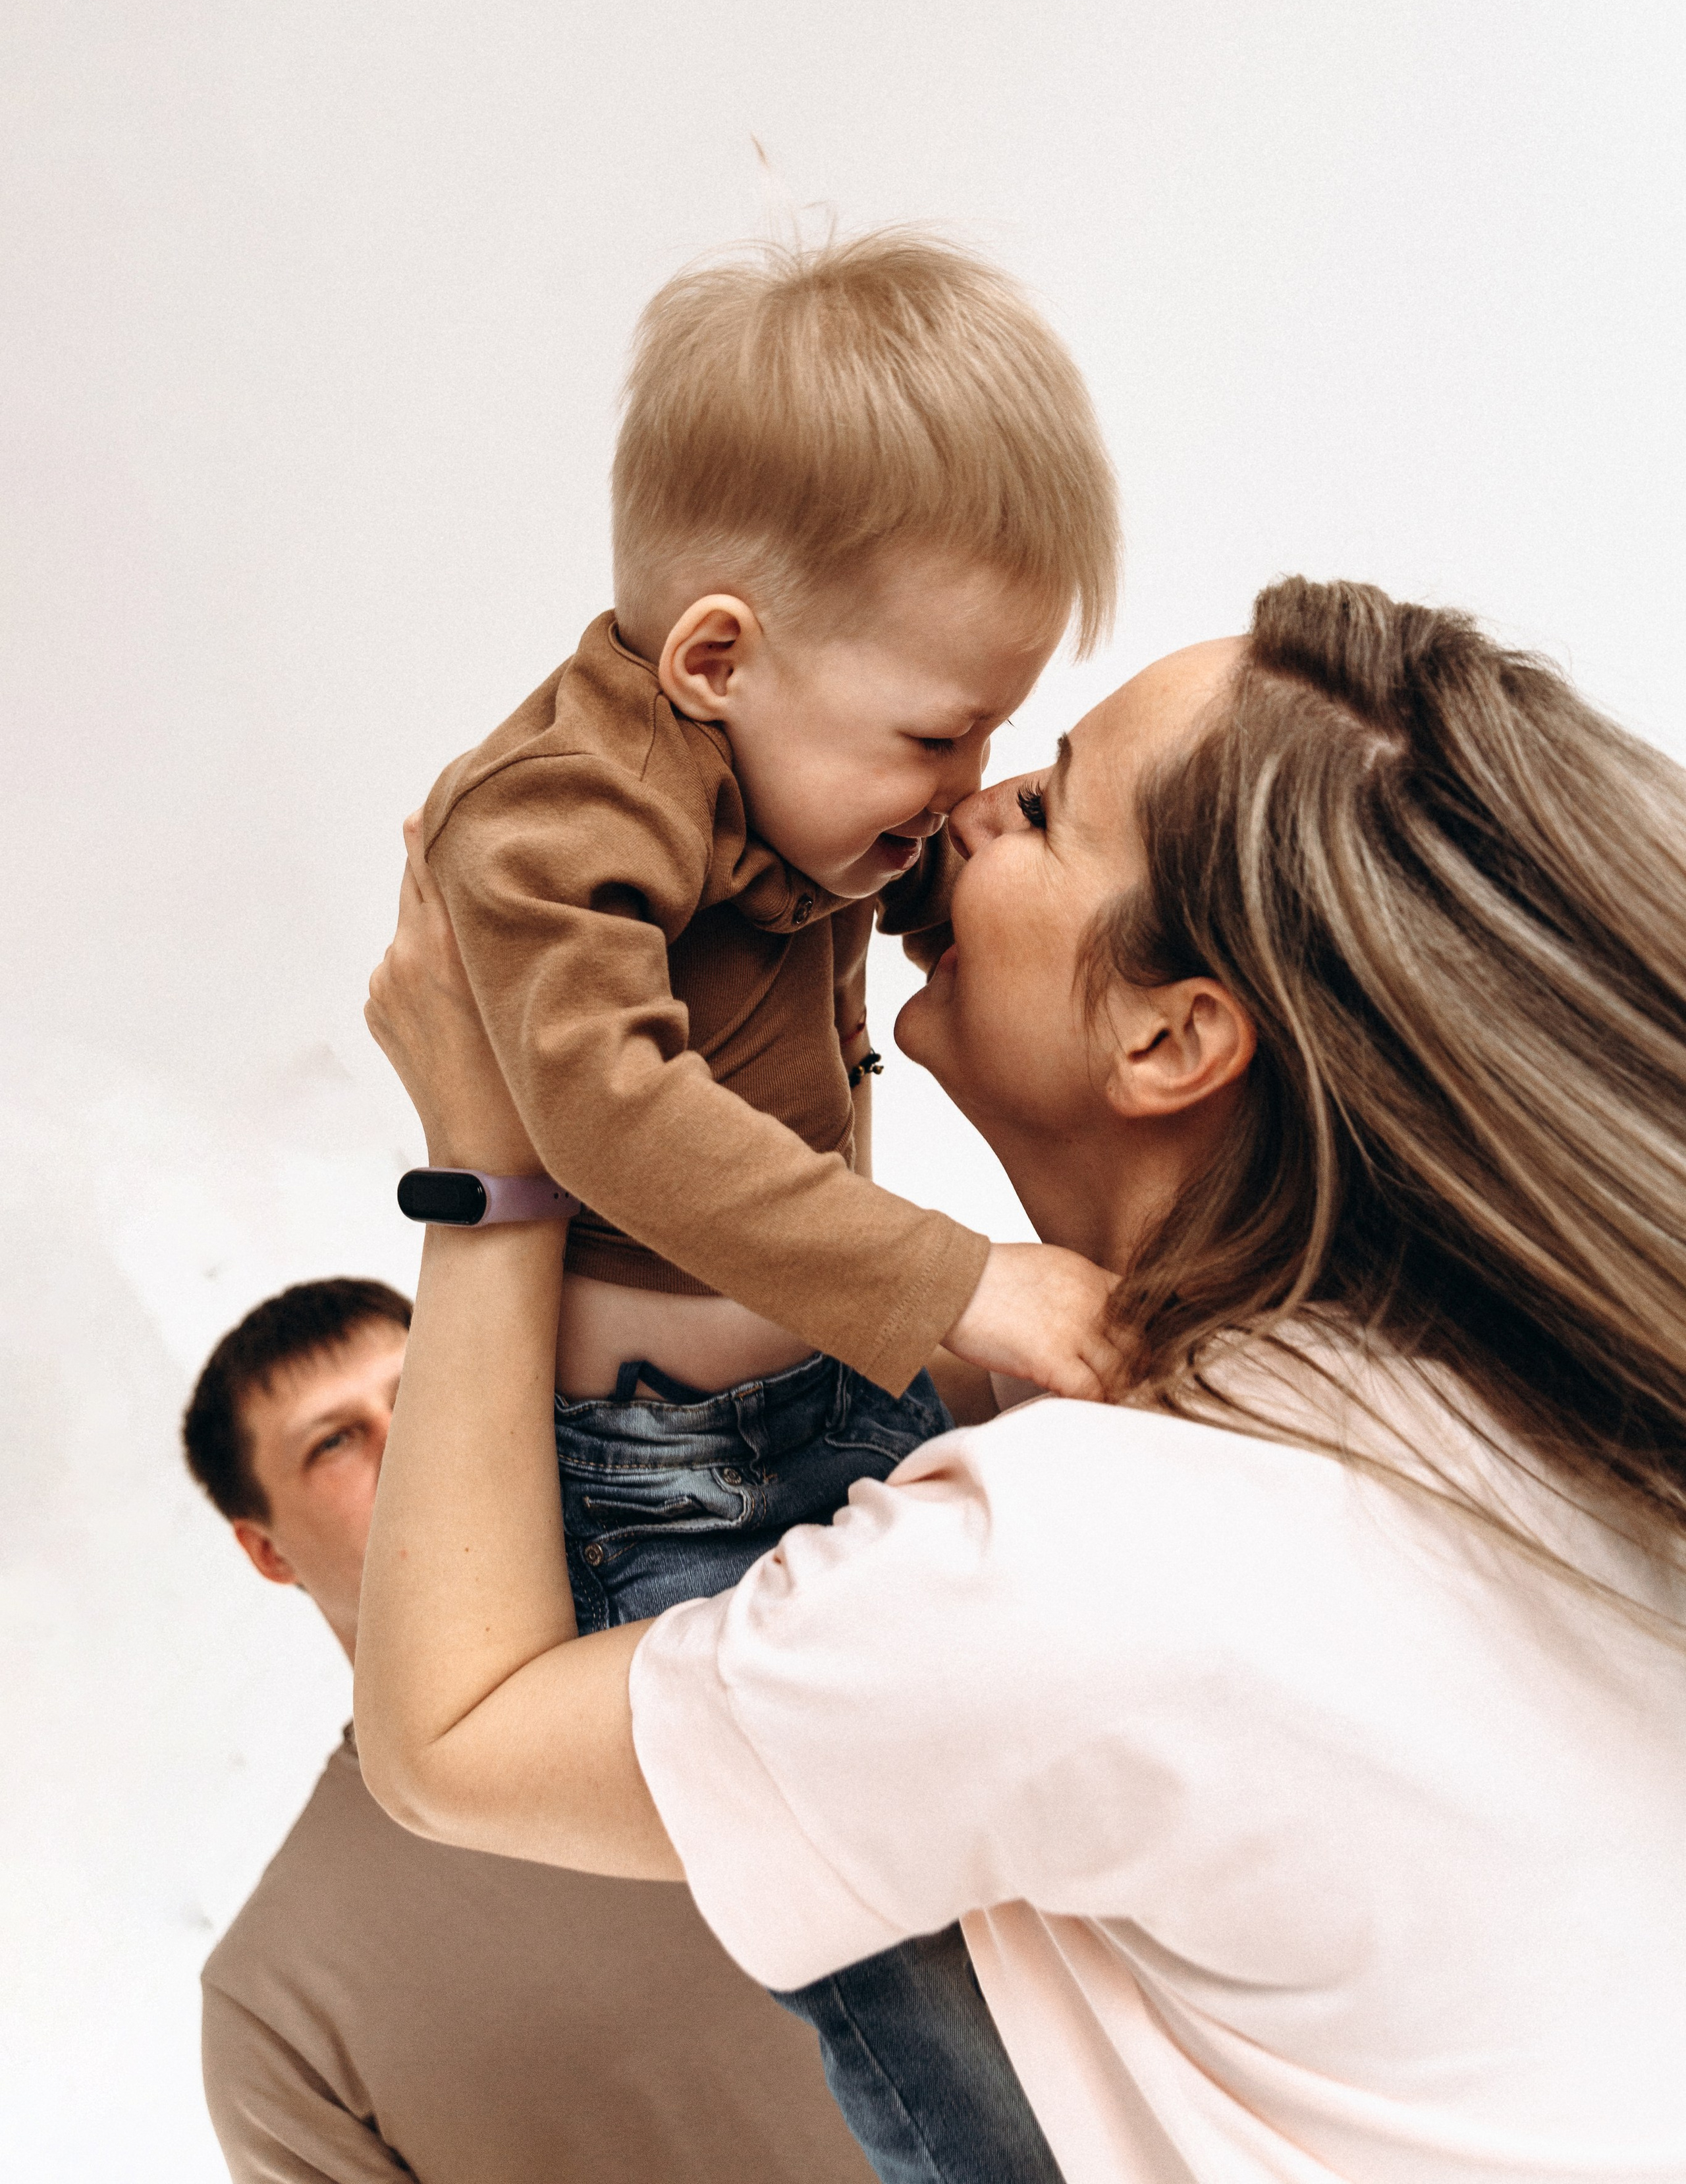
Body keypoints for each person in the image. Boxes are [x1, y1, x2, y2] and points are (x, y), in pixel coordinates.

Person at [357, 576, 1686, 2184]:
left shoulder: (1086, 1560)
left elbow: (452, 1739)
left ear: (1172, 1038)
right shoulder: (1480, 1393)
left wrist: (492, 1164)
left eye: (1047, 806)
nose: (968, 810)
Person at [414, 229, 1118, 2170]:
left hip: (848, 1402)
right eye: (938, 737)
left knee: (1043, 1868)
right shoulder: (546, 820)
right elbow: (612, 1119)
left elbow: (850, 883)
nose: (963, 783)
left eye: (998, 737)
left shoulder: (787, 757)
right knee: (895, 1965)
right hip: (677, 1481)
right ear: (717, 656)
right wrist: (968, 1284)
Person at [181, 1277, 873, 2184]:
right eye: (336, 1441)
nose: (409, 1448)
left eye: (417, 1393)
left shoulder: (788, 1649)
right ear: (267, 1551)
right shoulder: (282, 2003)